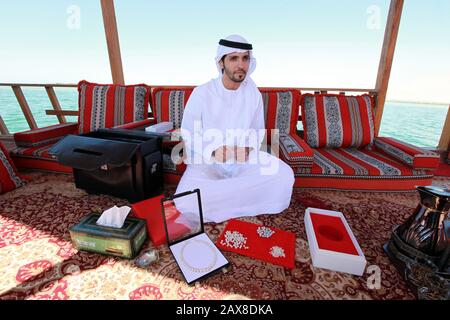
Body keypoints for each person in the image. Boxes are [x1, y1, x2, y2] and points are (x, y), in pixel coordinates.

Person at [174, 34, 295, 224]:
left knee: (283, 174)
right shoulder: (202, 93)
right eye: (233, 58)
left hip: (242, 160)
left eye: (245, 58)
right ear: (221, 62)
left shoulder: (252, 92)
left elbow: (256, 131)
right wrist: (213, 150)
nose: (241, 64)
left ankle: (224, 198)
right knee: (186, 200)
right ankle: (241, 196)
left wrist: (245, 150)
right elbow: (189, 133)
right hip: (208, 161)